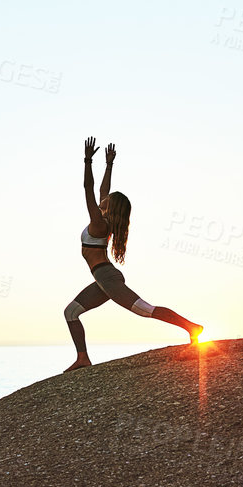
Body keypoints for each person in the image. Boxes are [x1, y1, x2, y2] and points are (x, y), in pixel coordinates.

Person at [63, 137, 202, 371]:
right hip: (102, 279)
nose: (103, 198)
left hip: (107, 278)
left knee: (144, 310)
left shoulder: (98, 224)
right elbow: (101, 189)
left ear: (112, 206)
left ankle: (191, 327)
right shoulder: (103, 220)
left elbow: (88, 189)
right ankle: (83, 358)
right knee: (71, 312)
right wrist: (108, 165)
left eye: (107, 199)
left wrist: (87, 161)